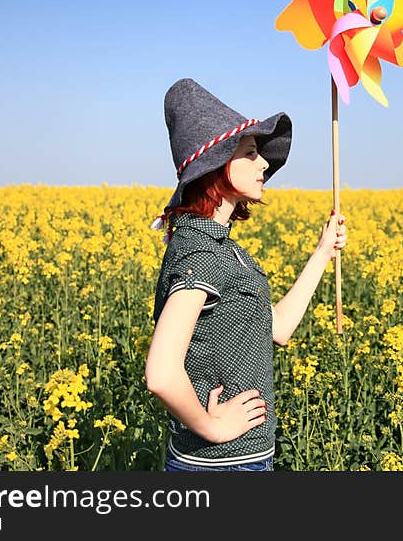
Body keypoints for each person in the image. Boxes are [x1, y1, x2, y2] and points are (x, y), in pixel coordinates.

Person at [144, 78, 347, 471]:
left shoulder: (223, 247)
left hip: (242, 460)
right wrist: (212, 428)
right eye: (251, 153)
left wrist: (322, 253)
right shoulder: (202, 252)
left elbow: (278, 328)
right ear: (218, 164)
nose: (264, 164)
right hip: (221, 465)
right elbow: (161, 374)